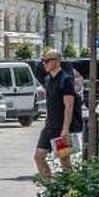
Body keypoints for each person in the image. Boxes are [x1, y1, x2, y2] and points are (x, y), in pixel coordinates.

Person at [33, 49, 82, 178]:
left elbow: (69, 106)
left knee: (65, 161)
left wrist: (65, 129)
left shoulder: (66, 80)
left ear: (57, 62)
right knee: (39, 156)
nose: (45, 63)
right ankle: (50, 188)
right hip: (49, 126)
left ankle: (72, 190)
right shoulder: (48, 79)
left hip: (62, 128)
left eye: (47, 60)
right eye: (44, 60)